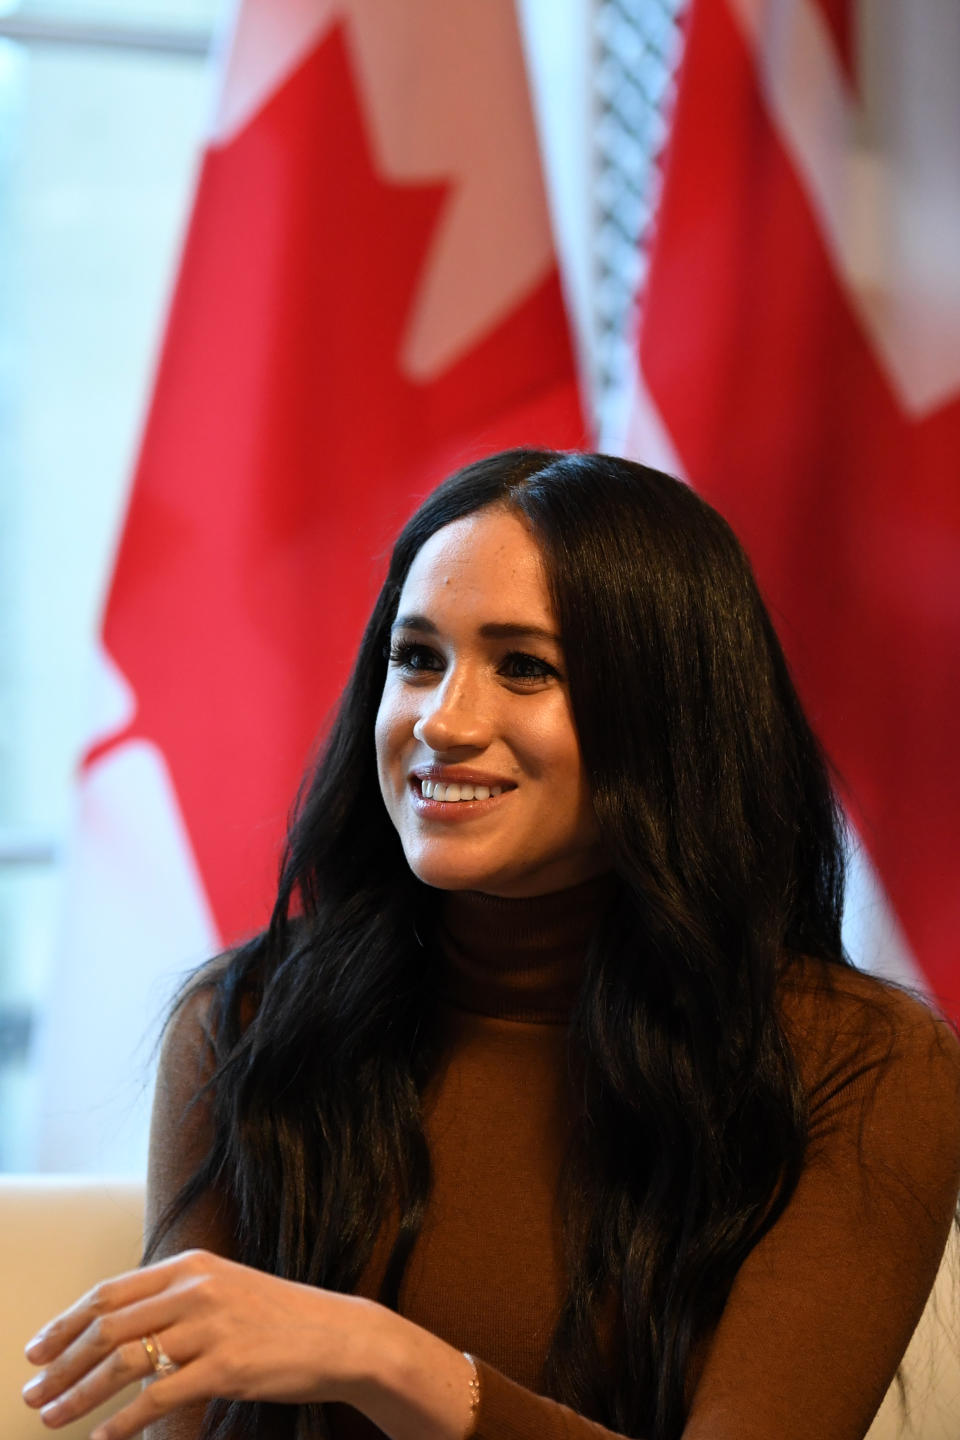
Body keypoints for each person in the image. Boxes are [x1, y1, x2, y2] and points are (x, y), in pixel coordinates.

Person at [21, 449, 960, 1440]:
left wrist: (392, 1361)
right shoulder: (248, 1017)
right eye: (418, 657)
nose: (442, 720)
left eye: (526, 667)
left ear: (673, 716)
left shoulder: (862, 1062)